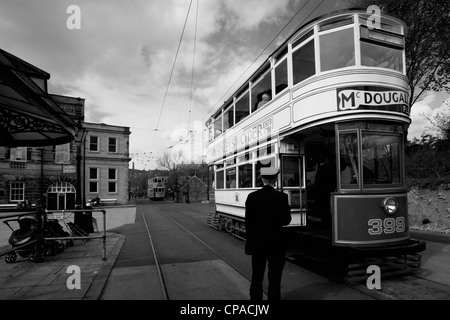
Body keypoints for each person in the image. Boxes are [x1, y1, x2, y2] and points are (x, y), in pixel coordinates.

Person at [245, 166, 292, 301]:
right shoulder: (282, 197)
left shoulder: (252, 197)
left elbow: (249, 223)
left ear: (262, 179)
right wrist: (287, 209)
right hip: (276, 244)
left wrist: (249, 246)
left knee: (257, 276)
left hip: (258, 244)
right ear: (276, 179)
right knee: (275, 278)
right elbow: (286, 221)